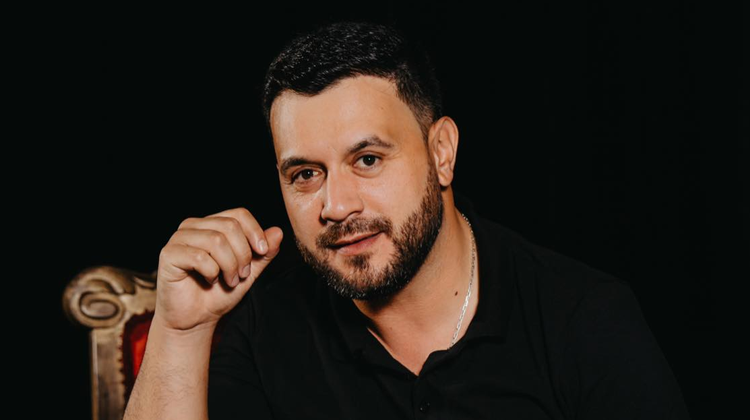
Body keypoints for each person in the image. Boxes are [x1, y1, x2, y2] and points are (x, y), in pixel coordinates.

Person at [123, 20, 691, 420]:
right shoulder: (264, 328)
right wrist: (181, 332)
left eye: (367, 160)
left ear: (441, 152)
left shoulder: (582, 318)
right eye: (306, 174)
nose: (336, 205)